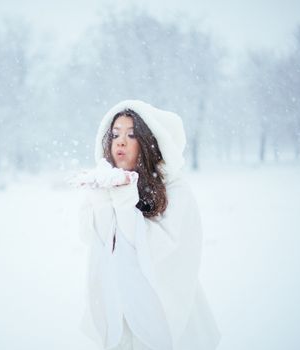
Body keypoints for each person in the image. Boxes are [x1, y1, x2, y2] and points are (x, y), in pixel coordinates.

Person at [77, 100, 221, 350]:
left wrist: (125, 205)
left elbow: (158, 251)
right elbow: (95, 242)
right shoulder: (104, 186)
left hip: (164, 309)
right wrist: (102, 204)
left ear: (148, 142)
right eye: (115, 134)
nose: (120, 141)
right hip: (121, 314)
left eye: (131, 135)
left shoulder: (175, 189)